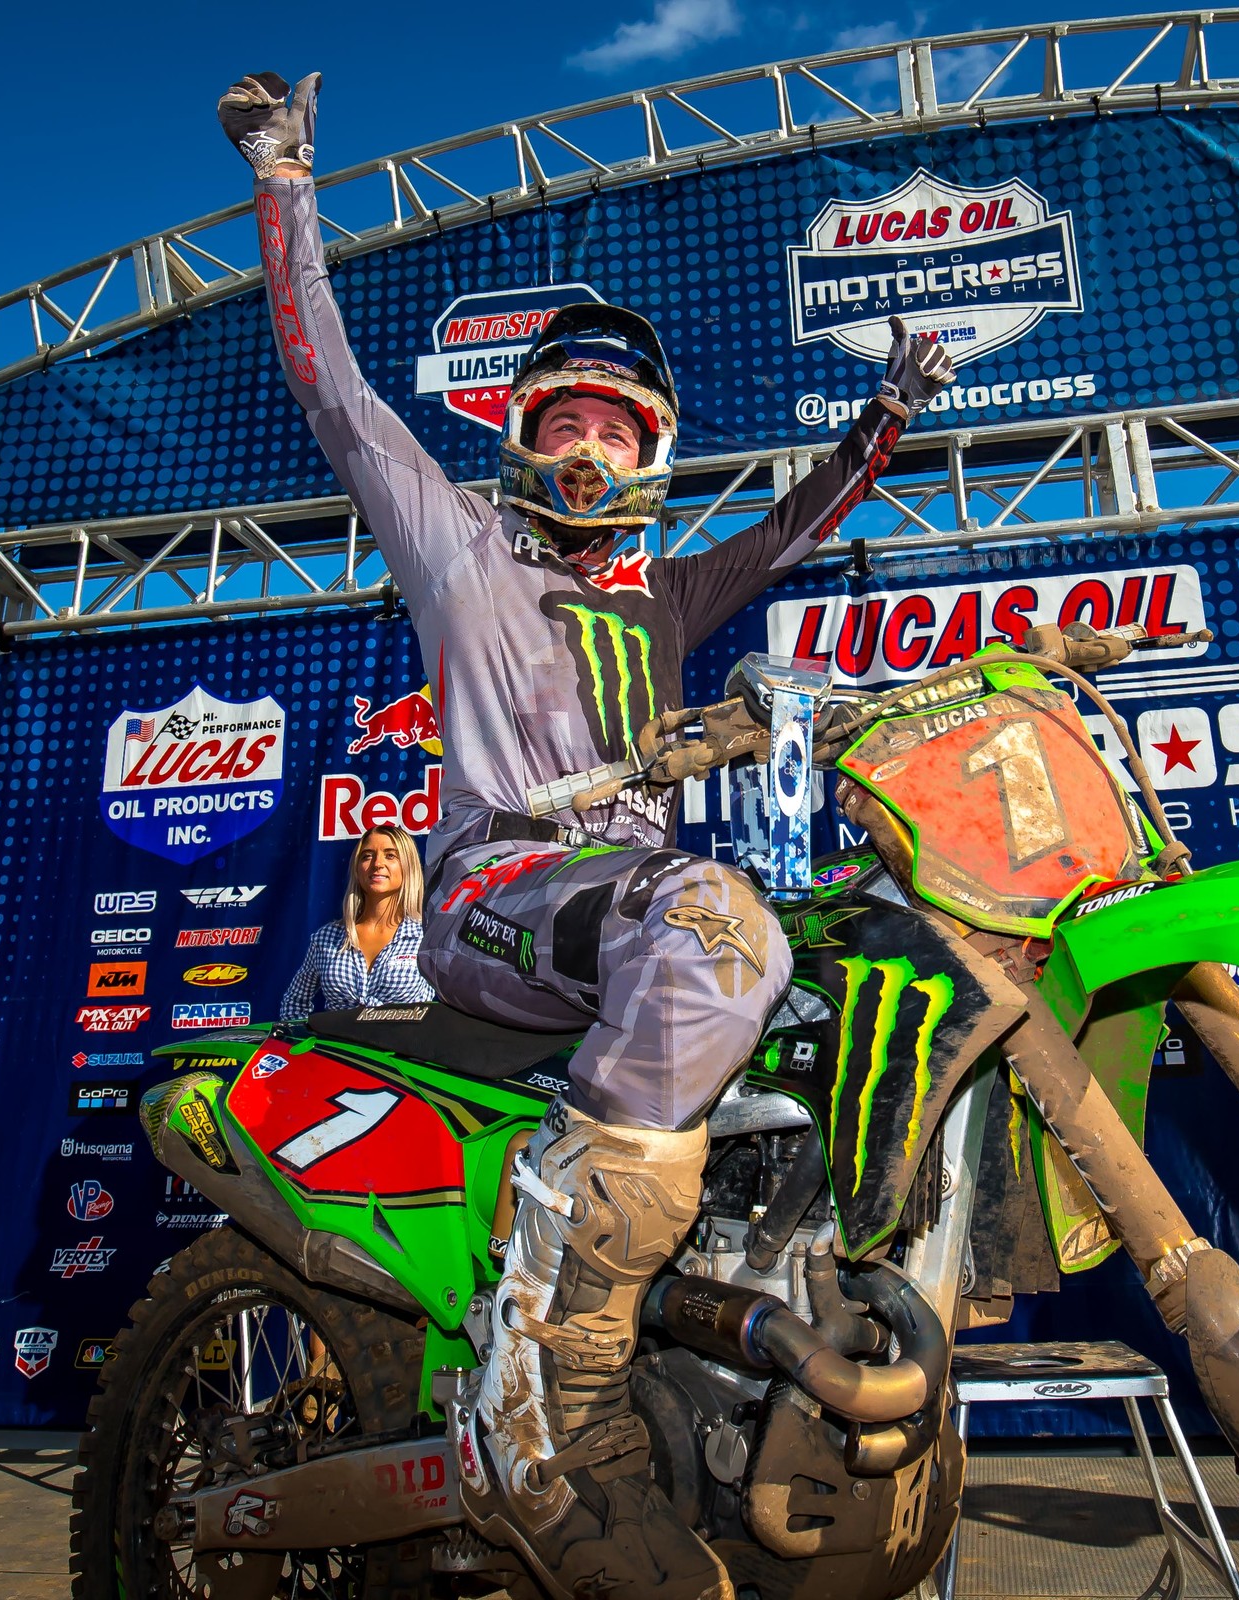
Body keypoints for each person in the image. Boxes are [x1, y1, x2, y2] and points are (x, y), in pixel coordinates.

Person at [217, 71, 954, 1590]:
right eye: (558, 418)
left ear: (654, 449)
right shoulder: (463, 552)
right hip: (499, 885)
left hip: (630, 909)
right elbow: (341, 403)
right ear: (514, 437)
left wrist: (882, 424)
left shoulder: (671, 596)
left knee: (859, 958)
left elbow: (791, 530)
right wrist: (288, 192)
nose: (584, 446)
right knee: (709, 918)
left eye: (611, 427)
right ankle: (556, 1382)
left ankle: (766, 1330)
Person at [280, 825, 435, 1020]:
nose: (377, 863)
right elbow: (295, 1001)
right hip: (337, 1049)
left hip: (404, 1047)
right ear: (357, 868)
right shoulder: (327, 938)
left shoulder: (427, 936)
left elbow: (454, 1001)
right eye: (367, 856)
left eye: (390, 856)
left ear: (408, 865)